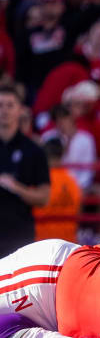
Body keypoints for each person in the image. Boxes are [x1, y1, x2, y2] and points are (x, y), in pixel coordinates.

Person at [0, 86, 50, 258]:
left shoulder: (33, 150)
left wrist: (15, 187)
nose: (4, 110)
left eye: (10, 105)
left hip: (19, 237)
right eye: (0, 105)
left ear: (20, 110)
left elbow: (44, 197)